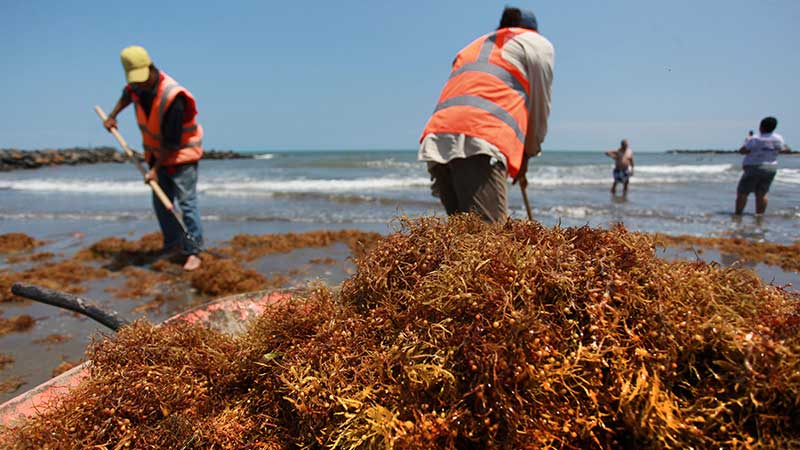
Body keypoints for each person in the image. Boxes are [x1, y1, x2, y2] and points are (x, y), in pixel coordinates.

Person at [418, 6, 554, 223]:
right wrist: (528, 153)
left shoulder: (472, 46)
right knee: (489, 244)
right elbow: (540, 105)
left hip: (439, 139)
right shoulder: (535, 43)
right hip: (480, 139)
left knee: (464, 240)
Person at [103, 46, 204, 271]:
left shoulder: (173, 97)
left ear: (151, 67)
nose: (139, 84)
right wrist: (112, 116)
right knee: (161, 204)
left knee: (186, 204)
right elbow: (127, 94)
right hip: (156, 156)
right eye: (135, 81)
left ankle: (194, 251)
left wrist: (155, 170)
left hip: (181, 154)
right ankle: (173, 245)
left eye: (141, 79)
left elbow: (171, 142)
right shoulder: (136, 88)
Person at [735, 116, 783, 215]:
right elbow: (781, 149)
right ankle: (760, 215)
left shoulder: (756, 138)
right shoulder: (778, 139)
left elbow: (743, 150)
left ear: (761, 126)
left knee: (743, 192)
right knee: (762, 193)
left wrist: (748, 142)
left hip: (755, 166)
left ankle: (738, 214)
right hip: (771, 167)